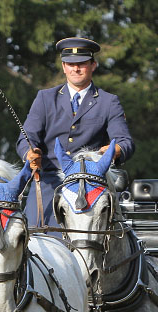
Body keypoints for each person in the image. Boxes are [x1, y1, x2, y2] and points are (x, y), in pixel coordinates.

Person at [16, 37, 134, 227]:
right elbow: (27, 137)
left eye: (82, 64)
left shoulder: (108, 102)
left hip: (90, 183)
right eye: (70, 64)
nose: (76, 69)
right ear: (64, 67)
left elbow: (125, 142)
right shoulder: (45, 98)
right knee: (32, 238)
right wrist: (29, 153)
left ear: (93, 65)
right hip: (50, 181)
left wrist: (112, 151)